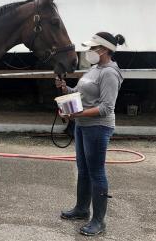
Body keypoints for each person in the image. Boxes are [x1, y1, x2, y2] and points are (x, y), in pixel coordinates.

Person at [55, 32, 125, 236]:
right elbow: (79, 93)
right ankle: (81, 209)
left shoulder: (110, 73)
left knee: (96, 172)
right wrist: (64, 88)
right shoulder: (94, 69)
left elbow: (106, 107)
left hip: (98, 127)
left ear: (103, 50)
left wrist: (78, 113)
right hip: (83, 125)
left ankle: (98, 221)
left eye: (92, 48)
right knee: (83, 169)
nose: (89, 52)